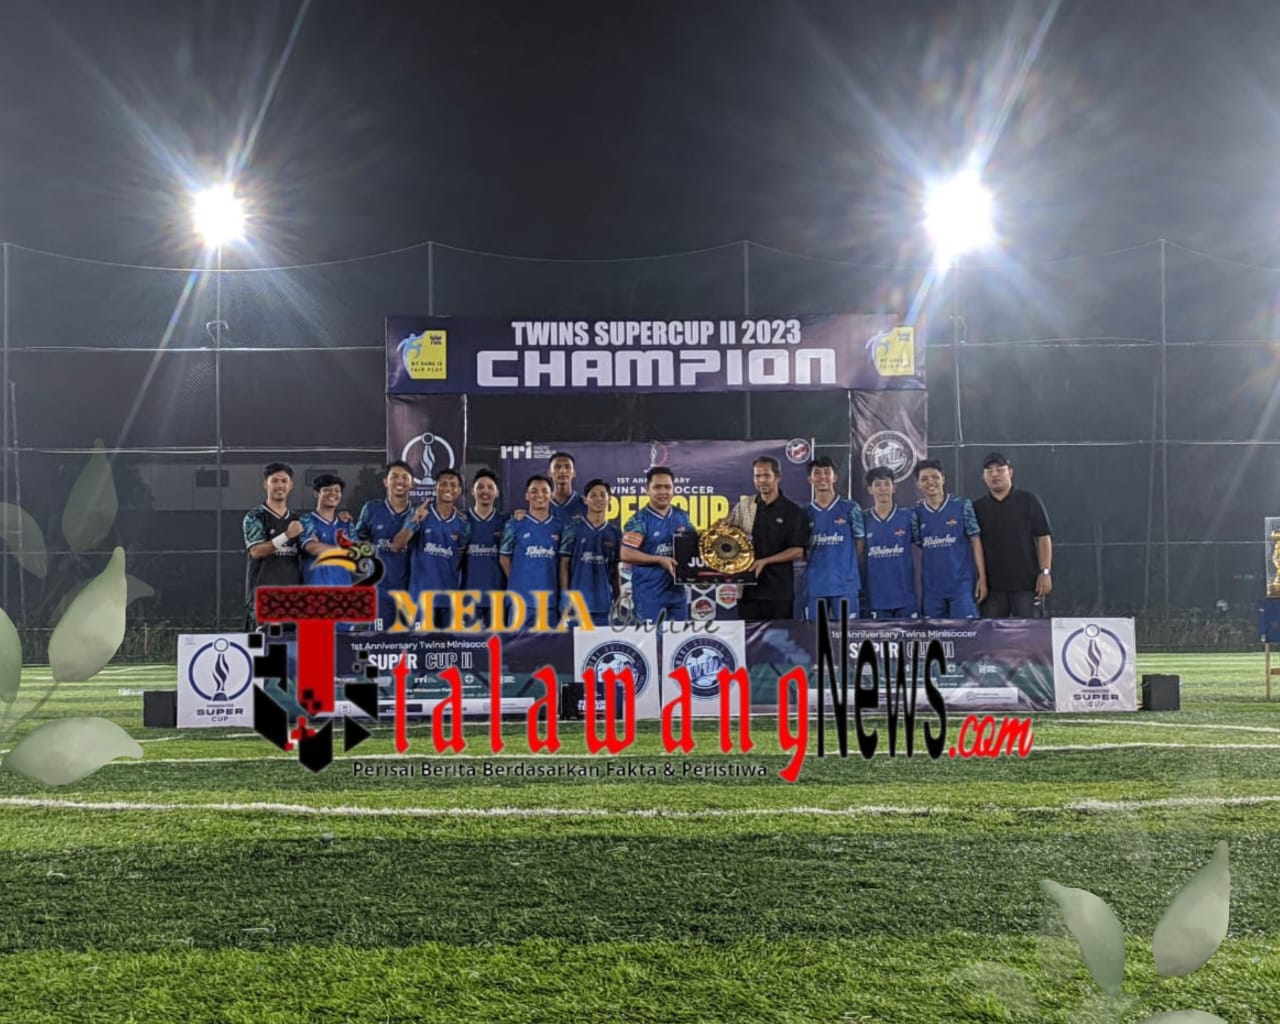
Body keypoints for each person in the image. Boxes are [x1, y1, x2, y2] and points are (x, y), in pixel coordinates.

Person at [972, 451, 1053, 618]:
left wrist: (1045, 572)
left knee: (1030, 633)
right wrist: (980, 579)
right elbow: (975, 545)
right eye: (989, 471)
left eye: (999, 469)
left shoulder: (1029, 500)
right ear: (983, 477)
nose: (995, 474)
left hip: (1027, 586)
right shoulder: (977, 507)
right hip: (992, 589)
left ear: (1010, 472)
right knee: (990, 633)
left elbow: (1043, 537)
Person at [729, 456, 809, 621]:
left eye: (766, 475)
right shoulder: (744, 507)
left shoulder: (792, 511)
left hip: (779, 592)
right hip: (747, 591)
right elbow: (727, 536)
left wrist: (765, 561)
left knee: (778, 637)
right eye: (757, 476)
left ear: (777, 477)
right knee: (748, 637)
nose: (761, 480)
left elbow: (798, 551)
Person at [912, 459, 986, 619]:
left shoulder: (962, 505)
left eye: (935, 477)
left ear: (943, 479)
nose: (930, 482)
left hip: (961, 586)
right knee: (934, 633)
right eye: (924, 479)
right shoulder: (916, 513)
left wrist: (982, 578)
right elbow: (919, 542)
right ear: (918, 484)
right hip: (932, 589)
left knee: (965, 631)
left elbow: (975, 541)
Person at [396, 468, 470, 626]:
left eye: (453, 485)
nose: (448, 488)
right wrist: (414, 521)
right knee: (420, 641)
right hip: (420, 599)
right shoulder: (420, 513)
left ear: (459, 491)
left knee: (449, 642)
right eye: (443, 484)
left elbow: (459, 557)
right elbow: (397, 545)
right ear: (435, 487)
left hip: (449, 599)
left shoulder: (462, 522)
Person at [621, 466, 692, 623]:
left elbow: (694, 545)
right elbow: (626, 553)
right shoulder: (639, 520)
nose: (663, 492)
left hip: (677, 595)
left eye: (667, 487)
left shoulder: (682, 516)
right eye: (657, 487)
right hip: (649, 596)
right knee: (651, 639)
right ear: (647, 490)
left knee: (679, 638)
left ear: (674, 489)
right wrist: (659, 560)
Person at [354, 460, 415, 630]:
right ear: (385, 482)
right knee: (378, 641)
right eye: (394, 476)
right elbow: (358, 541)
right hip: (379, 590)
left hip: (409, 591)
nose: (400, 481)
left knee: (410, 642)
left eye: (405, 477)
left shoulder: (418, 513)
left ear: (412, 484)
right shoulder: (371, 509)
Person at [243, 462, 304, 630]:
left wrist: (342, 518)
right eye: (275, 481)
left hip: (293, 600)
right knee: (262, 646)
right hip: (264, 599)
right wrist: (286, 536)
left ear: (291, 485)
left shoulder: (298, 520)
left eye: (284, 481)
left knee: (292, 646)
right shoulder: (255, 516)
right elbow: (256, 551)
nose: (280, 485)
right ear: (266, 484)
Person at [803, 456, 864, 622]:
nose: (822, 477)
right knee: (815, 634)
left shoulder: (851, 508)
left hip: (845, 585)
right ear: (810, 479)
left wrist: (847, 567)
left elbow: (860, 543)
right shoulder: (804, 513)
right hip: (815, 585)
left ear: (834, 477)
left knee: (848, 633)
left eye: (826, 472)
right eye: (817, 473)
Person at [560, 479, 621, 624]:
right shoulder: (572, 529)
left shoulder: (615, 533)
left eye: (602, 495)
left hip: (604, 605)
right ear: (585, 500)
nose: (598, 499)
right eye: (593, 495)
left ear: (610, 499)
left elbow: (615, 570)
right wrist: (565, 597)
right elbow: (564, 565)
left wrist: (618, 598)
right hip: (576, 605)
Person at [500, 474, 563, 614]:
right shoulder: (513, 525)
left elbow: (564, 563)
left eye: (544, 491)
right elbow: (504, 558)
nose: (539, 495)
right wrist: (518, 581)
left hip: (549, 603)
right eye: (534, 491)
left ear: (551, 495)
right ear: (527, 496)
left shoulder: (560, 527)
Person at [862, 465, 919, 619]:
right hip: (876, 599)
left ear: (894, 488)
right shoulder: (863, 519)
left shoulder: (908, 516)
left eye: (887, 484)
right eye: (877, 485)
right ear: (870, 489)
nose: (883, 489)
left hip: (905, 598)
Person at [464, 468, 508, 620]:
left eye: (490, 487)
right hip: (468, 598)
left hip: (497, 598)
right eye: (480, 487)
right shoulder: (462, 520)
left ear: (497, 493)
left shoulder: (507, 522)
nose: (485, 491)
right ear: (472, 491)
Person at [299, 474, 353, 586]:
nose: (333, 493)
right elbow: (313, 548)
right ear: (316, 493)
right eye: (327, 490)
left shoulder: (346, 522)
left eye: (337, 490)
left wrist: (323, 546)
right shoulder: (306, 520)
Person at [548, 451, 588, 526]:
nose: (562, 471)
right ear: (550, 472)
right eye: (557, 467)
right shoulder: (542, 503)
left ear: (574, 473)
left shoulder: (585, 504)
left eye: (567, 467)